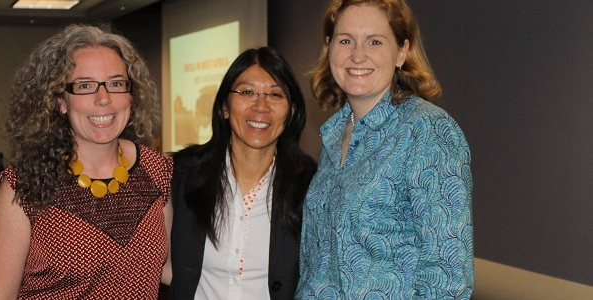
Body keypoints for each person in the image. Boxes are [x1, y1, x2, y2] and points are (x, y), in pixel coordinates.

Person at [296, 0, 474, 299]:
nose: (357, 54)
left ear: (402, 52)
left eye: (375, 41)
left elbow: (447, 277)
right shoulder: (334, 135)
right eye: (346, 40)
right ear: (330, 48)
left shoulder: (426, 130)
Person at [0, 24, 172, 299]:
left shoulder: (157, 171)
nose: (103, 99)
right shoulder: (24, 185)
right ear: (60, 101)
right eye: (85, 86)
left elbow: (170, 268)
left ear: (131, 95)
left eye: (116, 83)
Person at [167, 47, 317, 299]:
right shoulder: (182, 174)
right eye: (247, 92)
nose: (261, 106)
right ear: (224, 107)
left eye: (275, 94)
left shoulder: (310, 185)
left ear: (291, 112)